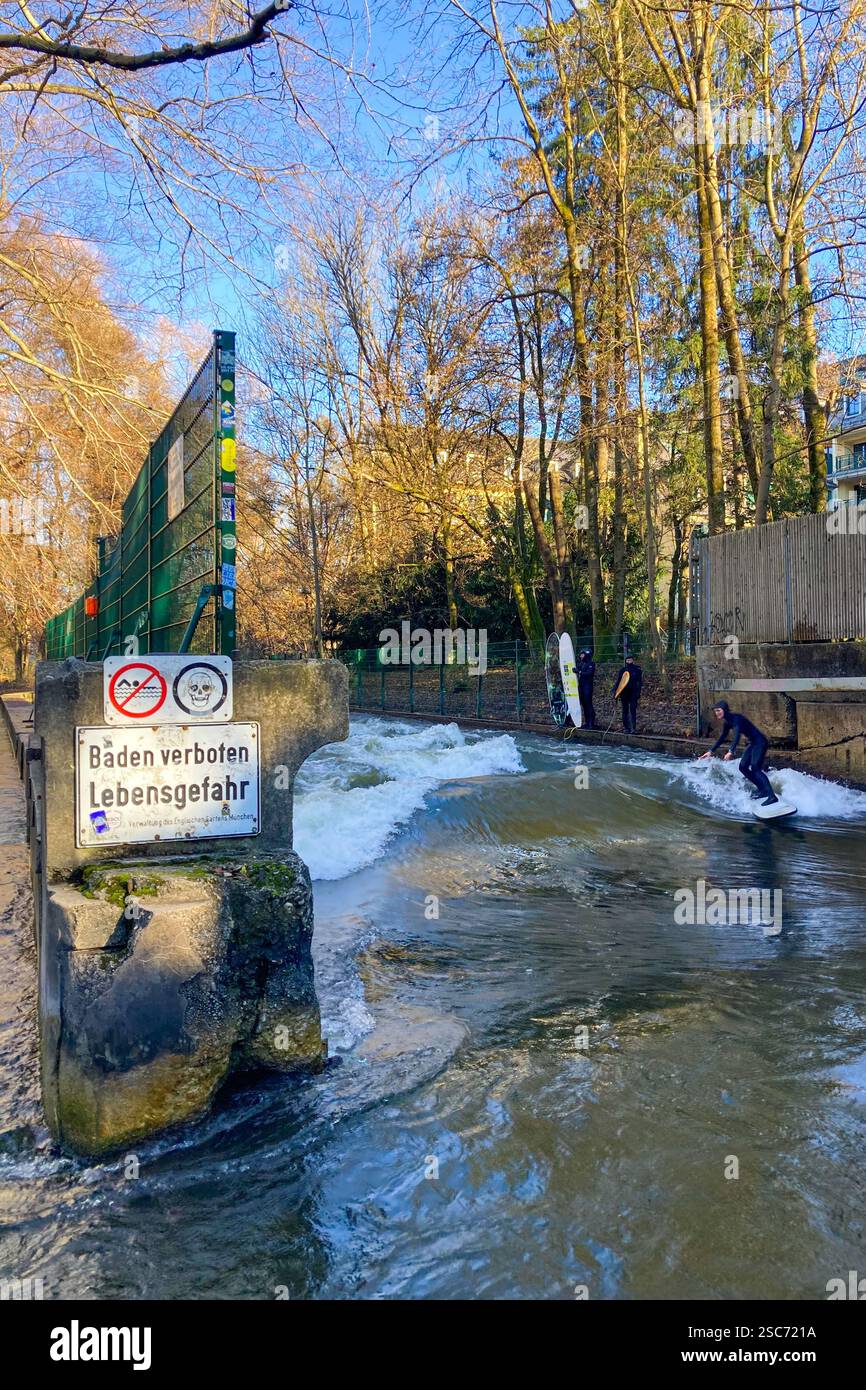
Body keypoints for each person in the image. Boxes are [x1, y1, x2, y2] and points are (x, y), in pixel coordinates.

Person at [698, 700, 778, 806]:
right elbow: (722, 737)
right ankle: (762, 790)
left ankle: (772, 796)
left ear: (725, 710)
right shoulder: (727, 722)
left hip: (760, 742)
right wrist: (710, 751)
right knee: (743, 767)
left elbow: (736, 736)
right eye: (715, 711)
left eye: (718, 710)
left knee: (755, 768)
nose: (716, 713)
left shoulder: (737, 719)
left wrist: (731, 751)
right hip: (753, 743)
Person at [612, 654, 642, 732]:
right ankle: (626, 728)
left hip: (633, 693)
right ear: (625, 661)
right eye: (627, 660)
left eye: (630, 660)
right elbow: (619, 681)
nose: (629, 661)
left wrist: (638, 692)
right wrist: (615, 691)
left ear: (633, 660)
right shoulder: (622, 670)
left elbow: (640, 682)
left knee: (633, 710)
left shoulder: (637, 669)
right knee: (625, 710)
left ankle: (633, 728)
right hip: (624, 693)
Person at [577, 648, 597, 729]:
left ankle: (591, 722)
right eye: (580, 654)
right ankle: (586, 722)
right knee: (584, 704)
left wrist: (579, 672)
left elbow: (589, 674)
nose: (581, 656)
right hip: (581, 686)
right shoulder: (581, 664)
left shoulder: (591, 664)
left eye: (582, 654)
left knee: (588, 704)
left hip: (588, 686)